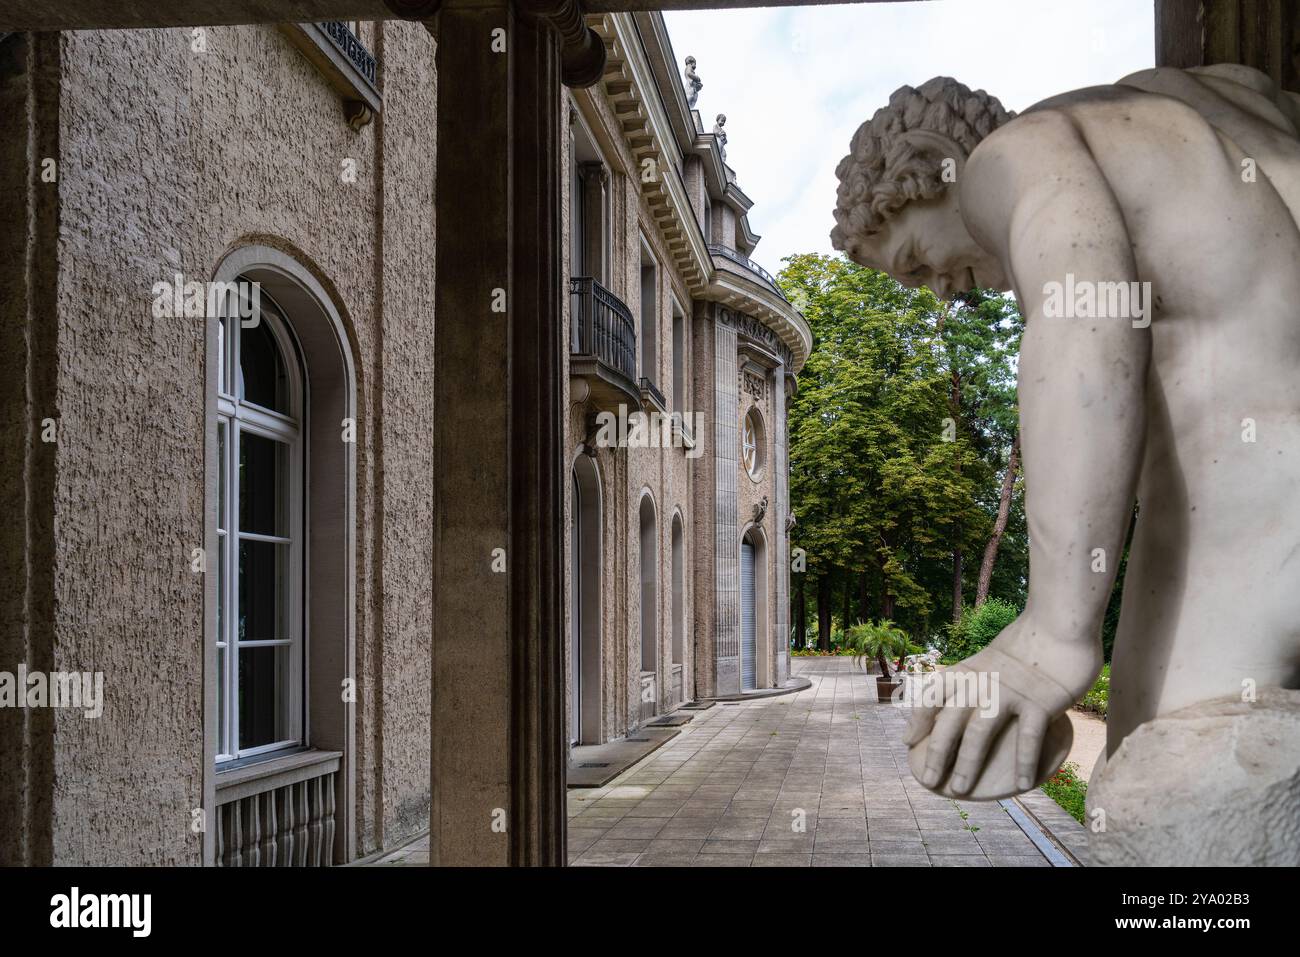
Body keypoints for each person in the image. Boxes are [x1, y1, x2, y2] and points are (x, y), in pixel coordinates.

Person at [831, 66, 1300, 798]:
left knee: (1160, 794)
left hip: (1263, 492)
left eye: (917, 262)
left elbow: (1083, 313)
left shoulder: (1011, 157)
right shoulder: (1191, 96)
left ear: (933, 164)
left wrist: (1052, 630)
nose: (943, 292)